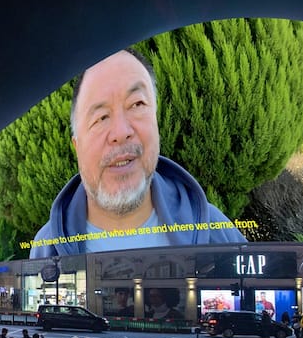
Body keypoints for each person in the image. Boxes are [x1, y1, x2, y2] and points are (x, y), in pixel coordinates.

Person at [29, 48, 246, 258]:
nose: (121, 132)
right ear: (77, 147)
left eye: (137, 104)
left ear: (156, 123)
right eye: (101, 117)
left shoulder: (216, 235)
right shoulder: (46, 250)